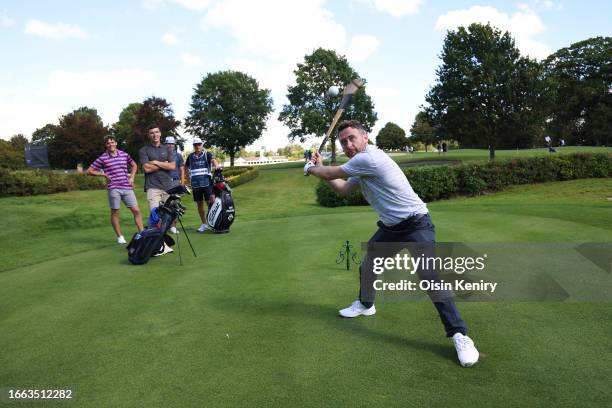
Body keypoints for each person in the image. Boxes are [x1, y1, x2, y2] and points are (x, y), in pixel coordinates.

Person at [304, 120, 479, 367]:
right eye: (344, 142)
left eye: (352, 138)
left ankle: (460, 335)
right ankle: (366, 304)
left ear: (365, 138)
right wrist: (318, 168)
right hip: (391, 228)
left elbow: (333, 173)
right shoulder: (362, 166)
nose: (348, 144)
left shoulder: (370, 159)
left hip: (417, 224)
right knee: (368, 267)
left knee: (428, 276)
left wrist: (312, 168)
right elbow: (342, 188)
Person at [88, 135, 144, 244]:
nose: (111, 144)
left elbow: (134, 165)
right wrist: (103, 175)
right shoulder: (103, 158)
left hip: (127, 187)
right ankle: (120, 236)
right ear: (106, 145)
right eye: (108, 143)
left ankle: (142, 232)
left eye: (112, 142)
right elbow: (90, 170)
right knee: (115, 211)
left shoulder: (124, 155)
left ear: (116, 143)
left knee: (136, 210)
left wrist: (132, 177)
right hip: (113, 188)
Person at [139, 125, 176, 214]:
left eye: (156, 132)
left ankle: (171, 228)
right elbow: (146, 169)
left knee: (169, 215)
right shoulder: (144, 150)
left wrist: (155, 162)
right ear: (148, 135)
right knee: (156, 215)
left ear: (160, 133)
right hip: (152, 188)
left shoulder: (167, 149)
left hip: (168, 186)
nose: (154, 135)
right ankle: (156, 228)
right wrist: (164, 164)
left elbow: (172, 166)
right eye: (151, 133)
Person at [185, 137, 220, 232]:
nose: (197, 146)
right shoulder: (190, 156)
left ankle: (213, 222)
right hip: (196, 185)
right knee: (199, 205)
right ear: (193, 146)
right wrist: (188, 179)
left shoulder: (207, 154)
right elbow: (186, 167)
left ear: (202, 145)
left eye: (199, 144)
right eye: (195, 145)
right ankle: (204, 224)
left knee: (210, 203)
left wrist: (217, 166)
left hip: (207, 183)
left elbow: (213, 161)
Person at [164, 136, 185, 234]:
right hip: (165, 182)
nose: (170, 145)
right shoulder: (162, 155)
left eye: (172, 143)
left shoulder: (178, 155)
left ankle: (173, 226)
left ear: (174, 145)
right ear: (165, 144)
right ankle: (164, 225)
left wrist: (182, 182)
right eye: (168, 143)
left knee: (175, 205)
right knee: (164, 204)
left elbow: (182, 169)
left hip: (176, 182)